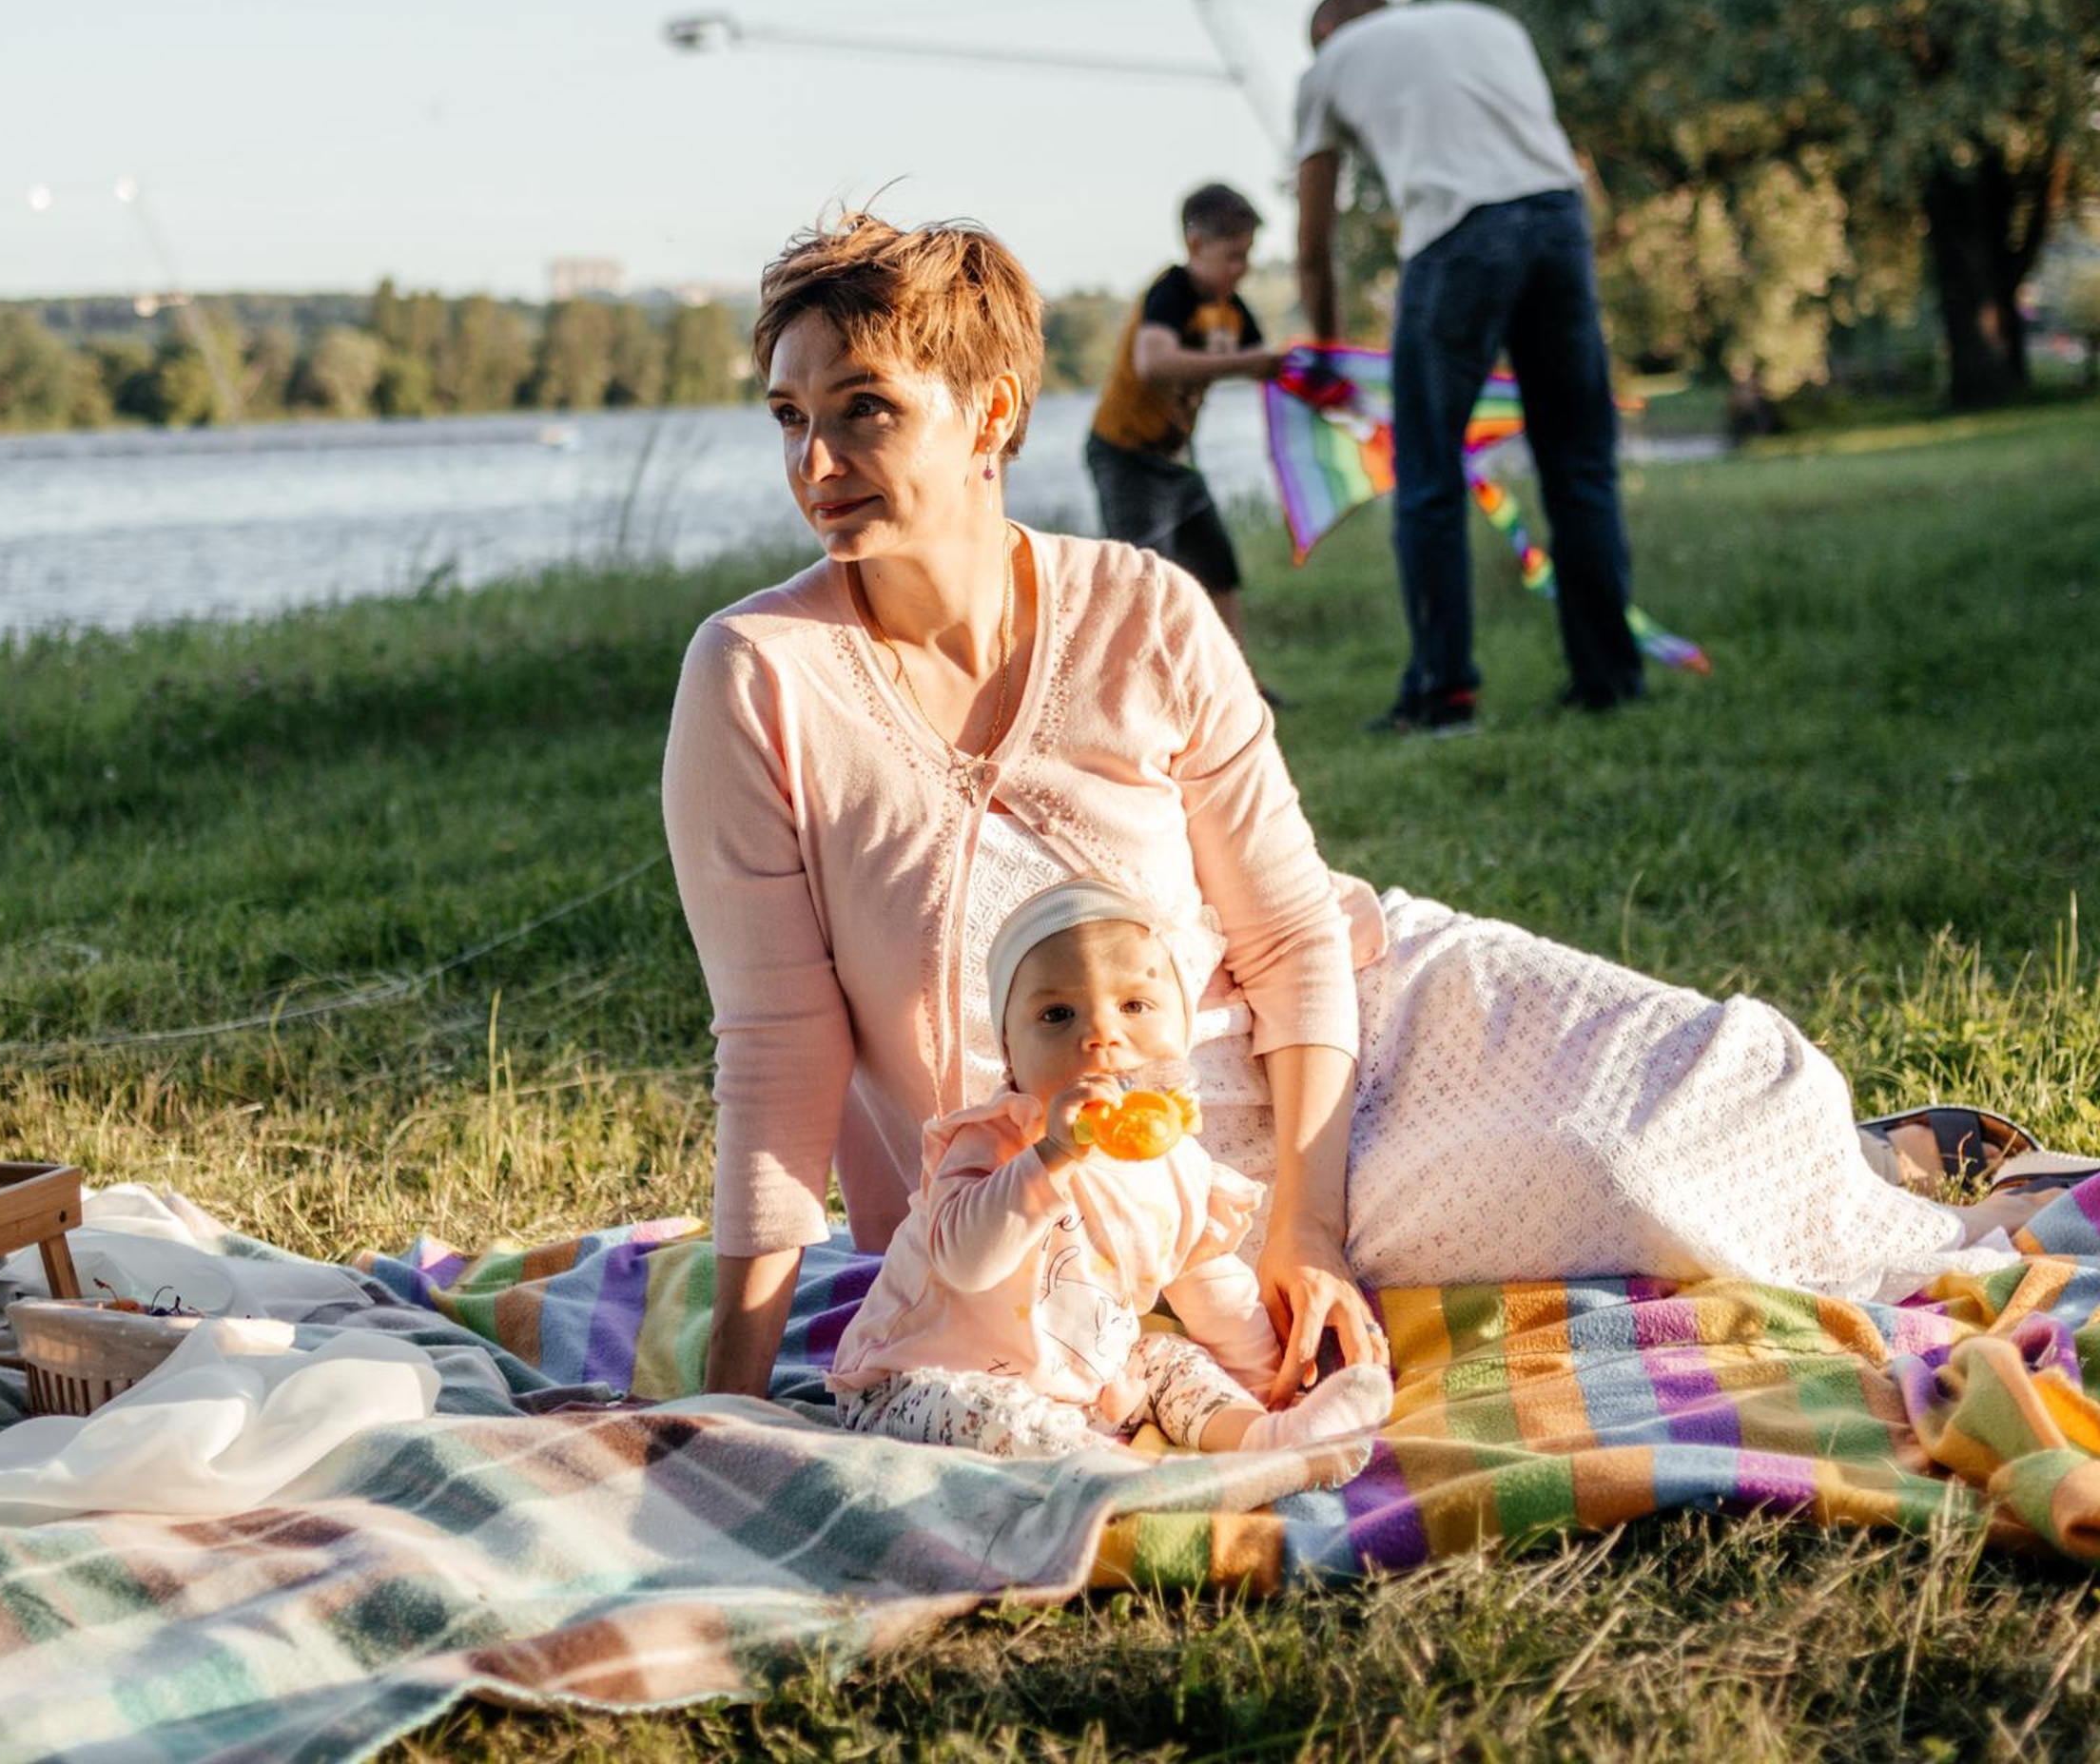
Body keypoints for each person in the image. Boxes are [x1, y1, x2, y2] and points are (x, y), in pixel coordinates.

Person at [662, 210, 2058, 1405]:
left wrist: (1307, 1232)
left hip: (1337, 1033)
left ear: (993, 415)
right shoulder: (755, 677)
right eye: (793, 418)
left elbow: (1283, 937)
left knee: (1699, 1085)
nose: (818, 462)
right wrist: (731, 1393)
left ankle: (1884, 1151)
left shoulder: (1140, 608)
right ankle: (1874, 1159)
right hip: (1111, 1177)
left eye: (864, 410)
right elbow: (775, 1048)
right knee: (1620, 1176)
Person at [828, 876, 1392, 1465]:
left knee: (1171, 1360)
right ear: (1009, 1054)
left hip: (1083, 1389)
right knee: (991, 1413)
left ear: (1182, 1028)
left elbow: (1213, 1292)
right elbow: (967, 1263)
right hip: (917, 1383)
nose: (1100, 1035)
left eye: (1134, 1006)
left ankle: (1270, 1435)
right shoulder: (990, 1137)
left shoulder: (1178, 1167)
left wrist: (1266, 1381)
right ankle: (1102, 1472)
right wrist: (1052, 1154)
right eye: (1056, 1014)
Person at [1291, 0, 1638, 735]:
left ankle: (1443, 697)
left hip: (1457, 238)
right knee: (1579, 465)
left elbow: (1314, 246)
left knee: (1427, 476)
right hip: (1558, 220)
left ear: (1324, 36)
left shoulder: (1326, 69)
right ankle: (1609, 679)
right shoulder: (1491, 22)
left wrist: (1329, 356)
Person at [1084, 183, 1281, 651]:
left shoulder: (1229, 310)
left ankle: (1240, 684)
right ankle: (1142, 688)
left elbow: (1267, 363)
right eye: (1232, 255)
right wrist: (1242, 365)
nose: (1242, 268)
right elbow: (1153, 363)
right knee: (1142, 579)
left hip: (1176, 461)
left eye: (1248, 255)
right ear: (1196, 245)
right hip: (1125, 457)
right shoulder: (1172, 292)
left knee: (1220, 569)